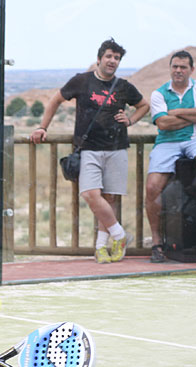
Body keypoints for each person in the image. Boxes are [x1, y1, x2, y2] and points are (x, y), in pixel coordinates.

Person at [30, 38, 149, 264]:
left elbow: (144, 105)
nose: (112, 61)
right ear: (99, 59)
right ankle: (120, 236)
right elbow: (55, 100)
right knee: (90, 194)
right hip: (88, 149)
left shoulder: (123, 86)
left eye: (117, 58)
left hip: (116, 148)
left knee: (109, 198)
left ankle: (100, 248)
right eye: (109, 56)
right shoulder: (82, 81)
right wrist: (42, 127)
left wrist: (131, 120)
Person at [146, 50, 196, 263]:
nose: (178, 70)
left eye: (183, 67)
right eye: (175, 67)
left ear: (191, 69)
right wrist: (193, 113)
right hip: (167, 143)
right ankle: (157, 243)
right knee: (152, 188)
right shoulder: (159, 94)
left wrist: (175, 112)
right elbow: (163, 124)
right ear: (170, 68)